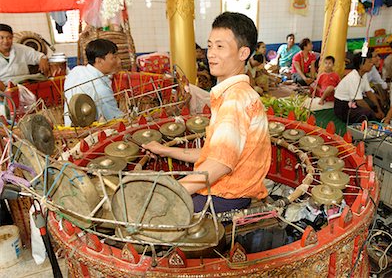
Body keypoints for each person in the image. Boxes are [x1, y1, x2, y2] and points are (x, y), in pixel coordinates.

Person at [143, 12, 271, 213]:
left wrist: (173, 192)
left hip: (228, 196)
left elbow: (219, 166)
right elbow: (213, 156)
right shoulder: (234, 93)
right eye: (210, 45)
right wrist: (165, 150)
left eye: (220, 46)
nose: (211, 53)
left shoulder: (235, 100)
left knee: (152, 210)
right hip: (225, 188)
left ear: (243, 53)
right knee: (160, 187)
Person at [63, 39, 123, 126]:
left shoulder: (76, 71)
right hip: (89, 133)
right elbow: (115, 118)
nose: (119, 61)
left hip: (69, 127)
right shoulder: (100, 89)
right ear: (99, 61)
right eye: (114, 57)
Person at [334, 51, 384, 124]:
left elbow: (369, 93)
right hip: (343, 107)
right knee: (366, 113)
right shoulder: (353, 77)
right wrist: (374, 113)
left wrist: (379, 109)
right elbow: (359, 101)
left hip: (353, 102)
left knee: (376, 102)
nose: (372, 64)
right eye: (369, 62)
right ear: (361, 66)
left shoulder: (363, 74)